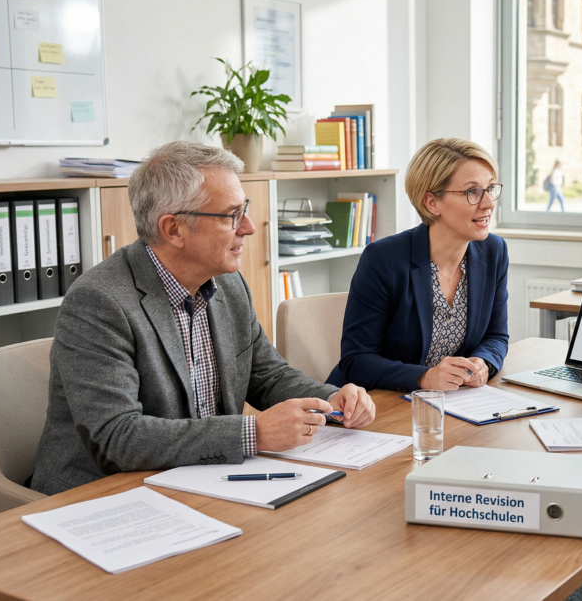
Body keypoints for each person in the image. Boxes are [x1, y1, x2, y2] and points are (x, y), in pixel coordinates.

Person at [31, 142, 376, 496]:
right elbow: (117, 437)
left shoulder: (228, 284)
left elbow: (268, 375)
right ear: (174, 229)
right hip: (104, 494)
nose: (249, 227)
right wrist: (252, 433)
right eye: (231, 215)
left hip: (198, 478)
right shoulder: (99, 302)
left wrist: (331, 400)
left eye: (245, 209)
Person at [327, 138, 509, 392]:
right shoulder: (384, 259)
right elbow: (356, 361)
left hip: (449, 404)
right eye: (472, 192)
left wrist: (484, 363)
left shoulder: (494, 251)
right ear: (432, 203)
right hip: (371, 405)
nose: (489, 203)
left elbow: (496, 336)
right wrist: (425, 377)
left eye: (490, 189)